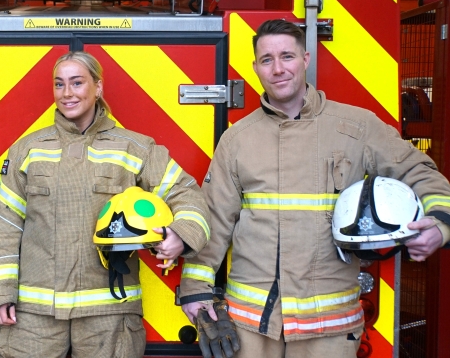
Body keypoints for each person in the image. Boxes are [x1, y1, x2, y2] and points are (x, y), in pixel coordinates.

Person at [178, 19, 450, 357]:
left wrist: (440, 224)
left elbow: (418, 169)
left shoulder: (357, 126)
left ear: (305, 59)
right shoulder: (237, 139)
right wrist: (195, 288)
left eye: (287, 57)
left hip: (329, 330)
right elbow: (215, 219)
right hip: (252, 326)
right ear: (255, 68)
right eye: (267, 60)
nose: (278, 69)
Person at [0, 51, 211, 358]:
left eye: (77, 83)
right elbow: (4, 227)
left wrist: (180, 235)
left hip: (109, 315)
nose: (67, 93)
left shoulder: (135, 148)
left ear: (98, 87)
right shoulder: (28, 149)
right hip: (34, 316)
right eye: (59, 84)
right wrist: (0, 292)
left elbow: (186, 193)